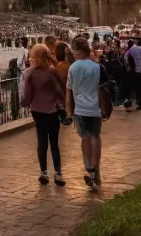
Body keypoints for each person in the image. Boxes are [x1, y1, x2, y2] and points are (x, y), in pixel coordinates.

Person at [20, 44, 65, 186]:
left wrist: (24, 102)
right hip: (52, 110)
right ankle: (58, 173)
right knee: (54, 143)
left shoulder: (31, 74)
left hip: (37, 110)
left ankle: (43, 172)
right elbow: (60, 92)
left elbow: (27, 96)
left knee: (41, 141)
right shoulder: (53, 72)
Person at [66, 37, 104, 190]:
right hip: (94, 108)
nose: (73, 53)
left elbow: (69, 91)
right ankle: (95, 168)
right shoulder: (97, 67)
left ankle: (88, 166)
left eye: (74, 50)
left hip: (80, 110)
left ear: (80, 51)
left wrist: (68, 110)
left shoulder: (73, 68)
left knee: (85, 137)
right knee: (95, 137)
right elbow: (100, 89)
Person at [126, 36, 141, 110]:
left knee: (138, 88)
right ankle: (140, 103)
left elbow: (126, 56)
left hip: (136, 71)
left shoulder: (133, 49)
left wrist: (129, 65)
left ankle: (139, 103)